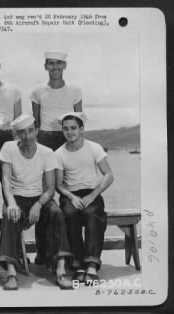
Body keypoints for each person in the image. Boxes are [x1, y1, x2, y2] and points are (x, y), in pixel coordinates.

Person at [0, 113, 73, 290]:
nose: (27, 136)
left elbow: (50, 189)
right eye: (22, 132)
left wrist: (38, 205)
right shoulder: (8, 148)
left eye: (31, 131)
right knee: (10, 214)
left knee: (56, 213)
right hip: (16, 196)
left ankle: (60, 270)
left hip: (41, 197)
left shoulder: (47, 153)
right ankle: (11, 273)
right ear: (17, 134)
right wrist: (12, 203)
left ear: (37, 131)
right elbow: (6, 181)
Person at [30, 50, 82, 266]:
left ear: (65, 66)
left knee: (66, 196)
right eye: (51, 63)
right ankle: (43, 252)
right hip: (44, 141)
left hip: (66, 141)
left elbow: (79, 122)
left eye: (59, 63)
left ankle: (68, 253)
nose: (55, 67)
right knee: (45, 197)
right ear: (45, 66)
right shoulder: (37, 91)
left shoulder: (75, 91)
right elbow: (35, 121)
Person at [55, 112, 114, 285]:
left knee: (93, 214)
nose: (69, 132)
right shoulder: (59, 153)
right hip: (70, 195)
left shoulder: (94, 147)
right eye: (65, 128)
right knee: (69, 214)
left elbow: (109, 175)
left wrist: (92, 196)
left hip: (91, 192)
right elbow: (59, 185)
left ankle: (91, 265)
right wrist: (71, 197)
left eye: (73, 128)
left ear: (82, 129)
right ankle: (77, 264)